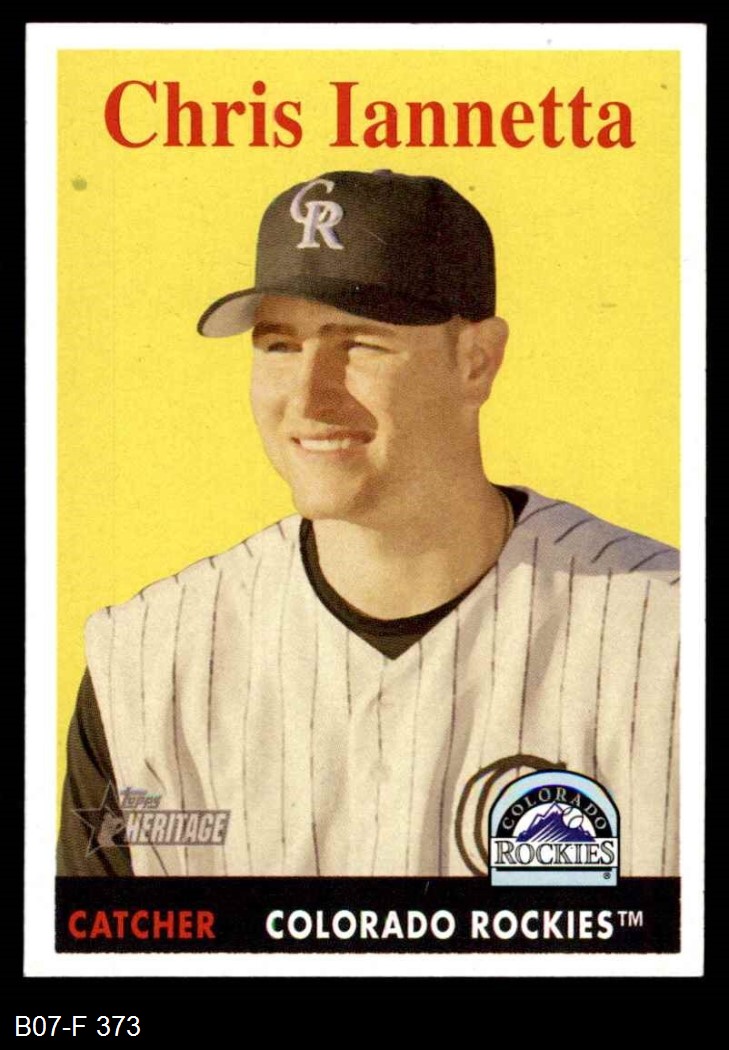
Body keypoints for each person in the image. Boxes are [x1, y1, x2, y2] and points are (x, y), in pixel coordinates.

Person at [57, 169, 679, 878]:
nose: (309, 398)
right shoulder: (147, 662)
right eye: (279, 346)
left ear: (477, 362)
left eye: (358, 343)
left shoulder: (667, 636)